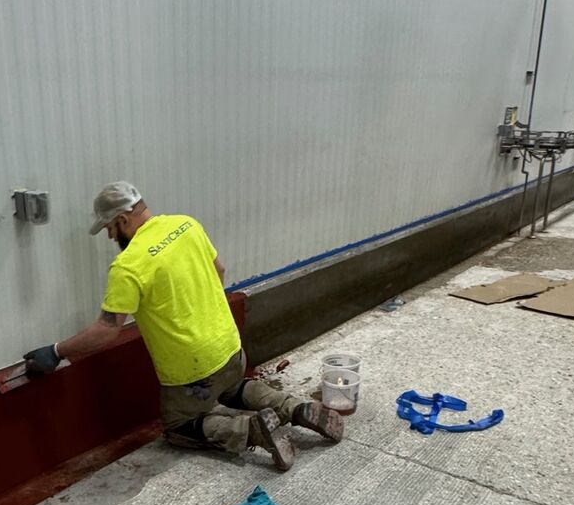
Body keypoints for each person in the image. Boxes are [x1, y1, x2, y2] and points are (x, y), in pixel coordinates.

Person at [23, 182, 343, 471]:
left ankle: (252, 431)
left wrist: (56, 351)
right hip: (229, 346)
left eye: (108, 228)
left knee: (178, 425)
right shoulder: (186, 225)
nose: (109, 236)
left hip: (192, 373)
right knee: (234, 389)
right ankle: (298, 407)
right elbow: (219, 269)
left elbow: (108, 330)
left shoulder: (128, 265)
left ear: (122, 220)